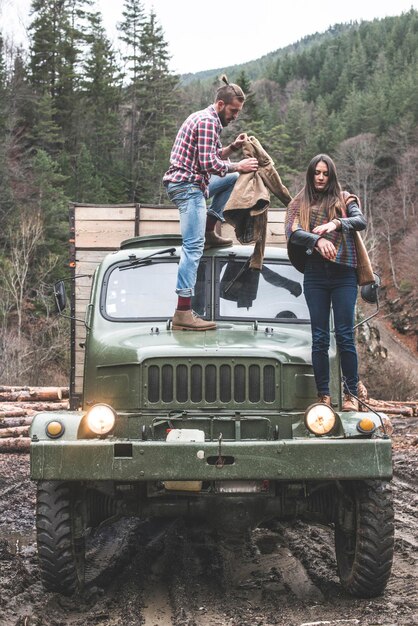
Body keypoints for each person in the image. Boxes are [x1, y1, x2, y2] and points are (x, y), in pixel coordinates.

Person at [163, 77, 259, 331]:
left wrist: (233, 148)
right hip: (188, 187)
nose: (235, 116)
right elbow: (209, 165)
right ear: (220, 104)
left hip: (195, 183)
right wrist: (239, 163)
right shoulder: (207, 122)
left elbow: (214, 157)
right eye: (233, 111)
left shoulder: (208, 121)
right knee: (193, 249)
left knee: (232, 180)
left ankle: (209, 229)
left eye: (238, 112)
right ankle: (183, 311)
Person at [285, 154, 367, 411]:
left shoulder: (345, 199)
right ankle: (324, 397)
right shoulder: (299, 203)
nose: (320, 177)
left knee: (344, 336)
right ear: (310, 175)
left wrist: (336, 223)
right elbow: (293, 232)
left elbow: (360, 221)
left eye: (325, 173)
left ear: (331, 175)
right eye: (316, 173)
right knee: (319, 337)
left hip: (344, 273)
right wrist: (317, 240)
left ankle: (351, 395)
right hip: (315, 274)